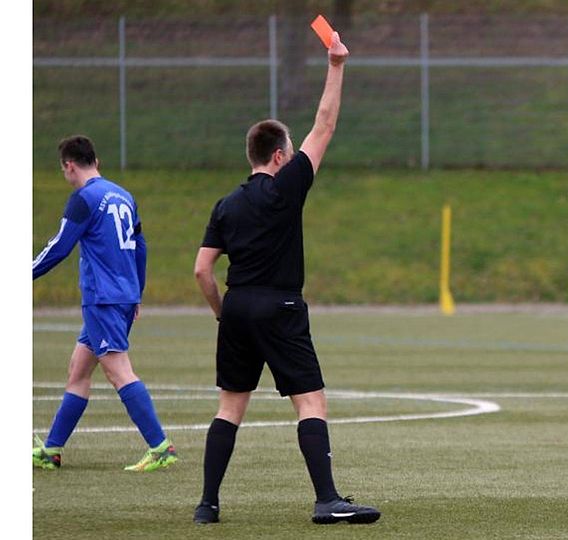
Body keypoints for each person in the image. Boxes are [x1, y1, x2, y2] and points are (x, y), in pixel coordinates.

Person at [191, 32, 380, 526]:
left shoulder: (226, 204)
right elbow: (326, 124)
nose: (296, 155)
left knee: (230, 406)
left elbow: (202, 269)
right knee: (310, 400)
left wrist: (221, 312)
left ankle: (207, 505)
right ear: (278, 157)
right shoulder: (286, 188)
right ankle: (327, 500)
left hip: (236, 307)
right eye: (290, 151)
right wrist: (336, 64)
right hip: (280, 306)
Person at [32, 135, 177, 472]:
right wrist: (137, 292)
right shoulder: (123, 196)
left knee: (118, 372)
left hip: (102, 299)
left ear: (69, 165)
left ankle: (160, 447)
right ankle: (52, 449)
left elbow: (58, 247)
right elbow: (141, 248)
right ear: (95, 160)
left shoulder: (83, 199)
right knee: (78, 370)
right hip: (123, 295)